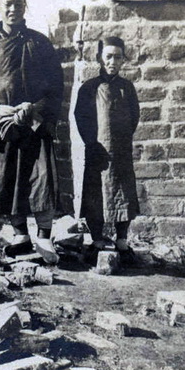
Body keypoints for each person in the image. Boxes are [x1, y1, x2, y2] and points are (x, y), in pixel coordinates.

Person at [0, 0, 64, 264]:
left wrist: (34, 108)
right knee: (9, 180)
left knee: (41, 179)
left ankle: (45, 237)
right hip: (4, 124)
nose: (13, 9)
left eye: (19, 4)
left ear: (26, 7)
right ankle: (20, 234)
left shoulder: (40, 43)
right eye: (8, 4)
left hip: (35, 123)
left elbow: (57, 85)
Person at [74, 36, 140, 263]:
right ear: (100, 58)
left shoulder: (127, 88)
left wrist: (121, 139)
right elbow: (80, 116)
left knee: (123, 192)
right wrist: (92, 142)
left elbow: (134, 117)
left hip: (120, 149)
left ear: (123, 60)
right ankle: (97, 239)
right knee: (96, 192)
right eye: (108, 56)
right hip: (98, 150)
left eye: (118, 57)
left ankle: (122, 240)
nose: (113, 61)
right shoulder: (89, 88)